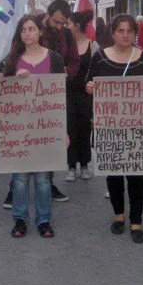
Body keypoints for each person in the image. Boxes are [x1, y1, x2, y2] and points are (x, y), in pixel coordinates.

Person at [85, 14, 143, 244]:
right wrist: (91, 87)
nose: (125, 35)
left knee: (136, 176)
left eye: (129, 31)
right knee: (113, 174)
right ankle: (118, 215)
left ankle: (136, 221)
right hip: (109, 126)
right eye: (121, 31)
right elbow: (87, 84)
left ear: (135, 34)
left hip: (137, 127)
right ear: (113, 33)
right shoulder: (100, 58)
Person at [5, 14, 65, 238]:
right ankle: (20, 219)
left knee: (42, 178)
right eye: (23, 30)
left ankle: (44, 220)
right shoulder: (12, 60)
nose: (27, 33)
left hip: (46, 127)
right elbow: (3, 96)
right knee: (19, 179)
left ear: (40, 32)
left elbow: (61, 97)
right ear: (19, 34)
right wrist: (13, 81)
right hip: (20, 127)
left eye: (31, 29)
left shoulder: (55, 58)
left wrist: (63, 130)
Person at [28, 0, 79, 202]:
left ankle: (48, 184)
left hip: (53, 97)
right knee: (24, 140)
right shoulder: (30, 27)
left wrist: (68, 72)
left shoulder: (66, 34)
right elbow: (15, 54)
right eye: (56, 22)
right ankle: (15, 188)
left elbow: (74, 60)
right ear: (47, 15)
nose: (59, 27)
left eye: (63, 23)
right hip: (28, 96)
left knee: (49, 142)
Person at [64, 10, 98, 181]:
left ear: (76, 25)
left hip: (86, 94)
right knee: (70, 129)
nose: (66, 26)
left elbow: (98, 69)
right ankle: (71, 165)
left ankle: (84, 164)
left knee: (84, 128)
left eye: (68, 23)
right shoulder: (64, 46)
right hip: (67, 93)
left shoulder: (92, 46)